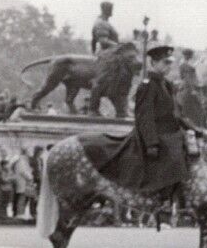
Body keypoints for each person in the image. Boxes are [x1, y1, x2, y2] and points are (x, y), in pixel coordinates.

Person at [79, 42, 191, 217]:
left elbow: (174, 114)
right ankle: (163, 202)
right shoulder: (147, 84)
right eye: (164, 62)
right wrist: (151, 143)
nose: (168, 66)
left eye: (170, 62)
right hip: (151, 136)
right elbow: (144, 116)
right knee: (172, 155)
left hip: (169, 133)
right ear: (153, 63)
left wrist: (192, 128)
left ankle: (181, 200)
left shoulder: (166, 85)